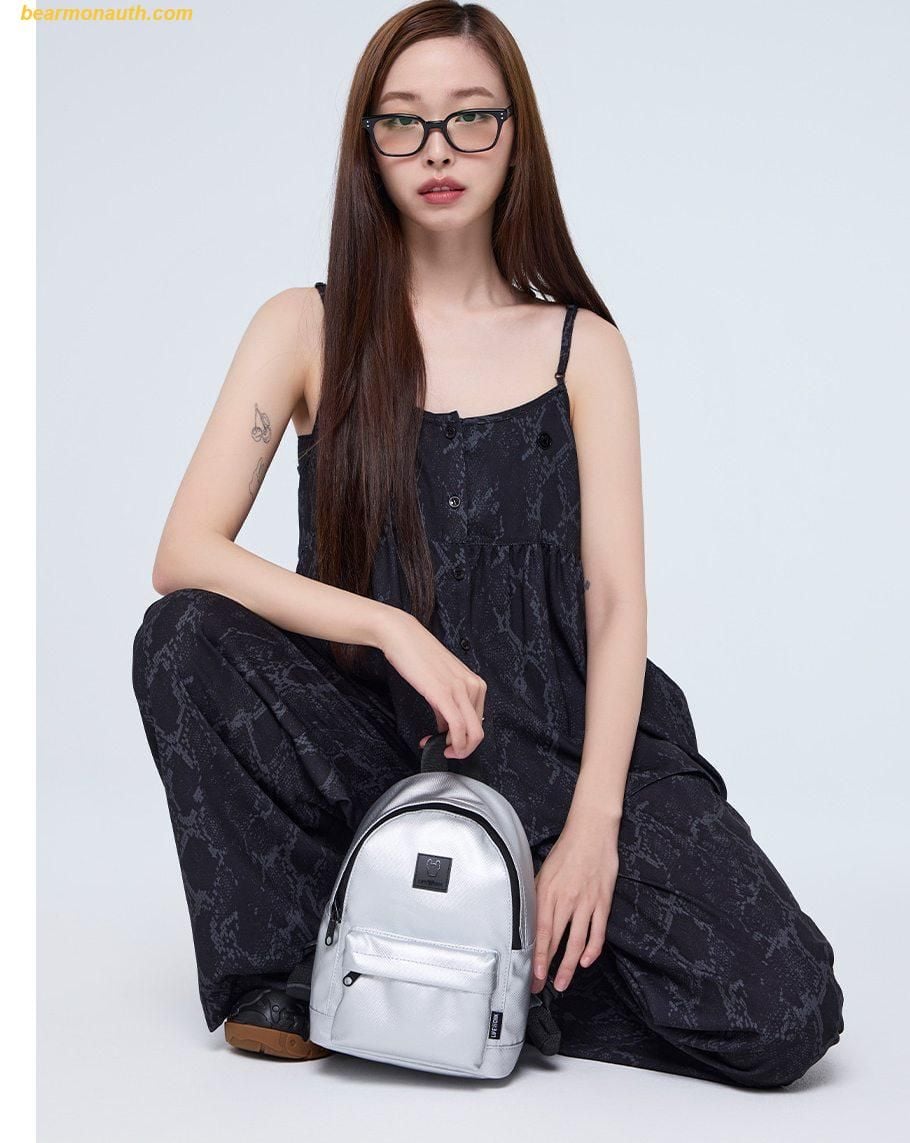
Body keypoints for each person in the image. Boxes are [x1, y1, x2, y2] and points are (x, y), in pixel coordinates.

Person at [131, 0, 844, 1086]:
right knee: (181, 639)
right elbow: (185, 552)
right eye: (403, 121)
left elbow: (614, 599)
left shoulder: (582, 348)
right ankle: (299, 973)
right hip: (379, 745)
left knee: (785, 1013)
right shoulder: (303, 328)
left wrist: (594, 826)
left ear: (516, 136)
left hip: (562, 751)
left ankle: (462, 964)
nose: (438, 150)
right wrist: (392, 628)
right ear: (367, 144)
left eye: (470, 117)